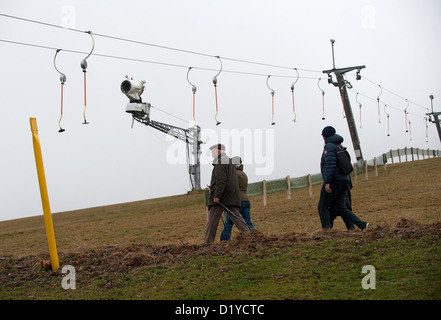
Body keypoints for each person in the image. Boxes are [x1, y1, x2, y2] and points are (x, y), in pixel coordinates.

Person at [318, 126, 369, 230]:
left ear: (324, 136)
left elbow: (330, 165)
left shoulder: (329, 147)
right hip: (344, 180)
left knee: (322, 207)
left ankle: (327, 232)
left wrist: (327, 182)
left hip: (334, 181)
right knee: (342, 208)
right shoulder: (340, 146)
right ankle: (362, 225)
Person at [204, 144, 249, 244]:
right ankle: (249, 235)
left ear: (218, 151)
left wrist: (216, 195)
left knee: (212, 221)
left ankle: (207, 243)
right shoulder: (228, 160)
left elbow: (221, 180)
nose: (212, 155)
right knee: (237, 217)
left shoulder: (220, 161)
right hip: (231, 196)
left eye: (213, 152)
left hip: (221, 197)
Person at [220, 156, 256, 241]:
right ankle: (257, 236)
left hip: (236, 202)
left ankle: (223, 243)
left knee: (228, 225)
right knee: (248, 223)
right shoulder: (243, 174)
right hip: (246, 201)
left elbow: (228, 186)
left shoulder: (234, 174)